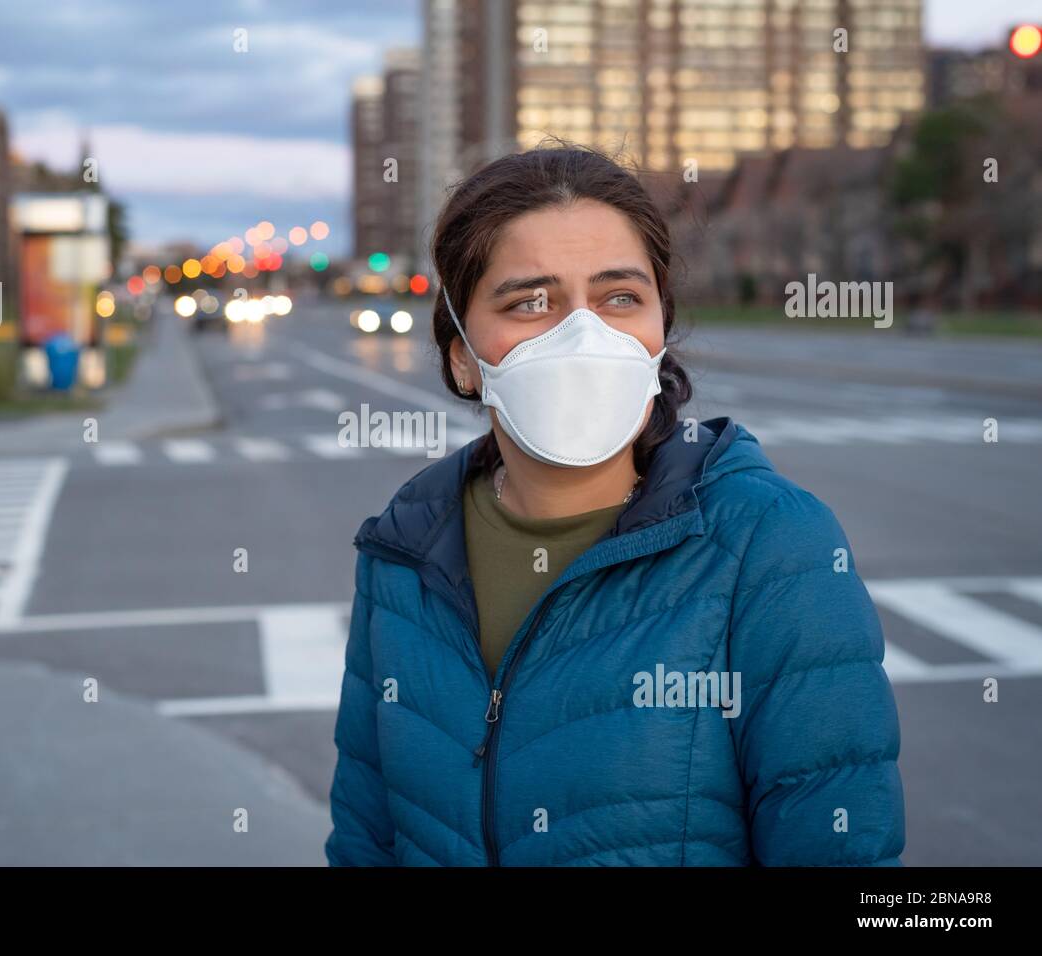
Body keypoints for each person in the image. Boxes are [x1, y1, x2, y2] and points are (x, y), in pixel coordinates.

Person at [323, 143, 905, 866]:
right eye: (531, 300)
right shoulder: (404, 552)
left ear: (660, 331)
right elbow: (365, 837)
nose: (582, 332)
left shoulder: (772, 546)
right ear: (463, 356)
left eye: (619, 297)